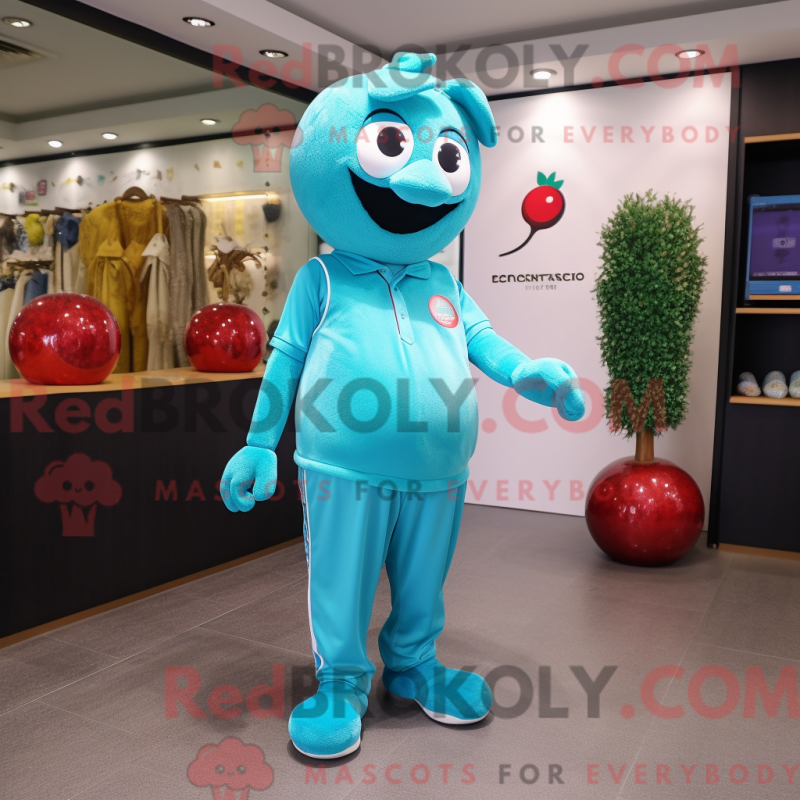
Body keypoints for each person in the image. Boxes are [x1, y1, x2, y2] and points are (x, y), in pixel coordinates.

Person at [221, 52, 585, 759]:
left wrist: (529, 374)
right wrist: (260, 442)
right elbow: (285, 357)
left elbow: (485, 343)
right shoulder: (322, 277)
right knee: (341, 580)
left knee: (424, 583)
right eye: (392, 143)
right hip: (342, 467)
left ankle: (415, 665)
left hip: (439, 470)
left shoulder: (443, 282)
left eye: (446, 155)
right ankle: (341, 682)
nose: (426, 176)